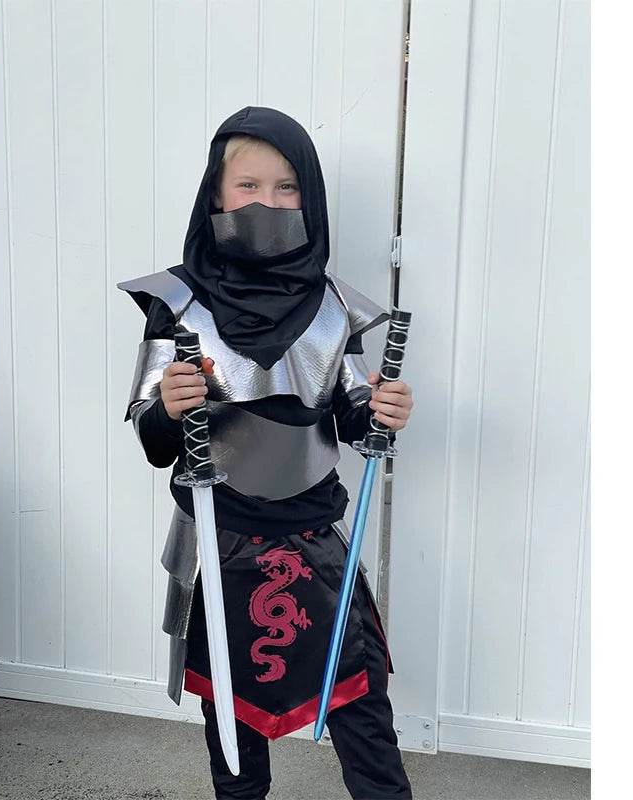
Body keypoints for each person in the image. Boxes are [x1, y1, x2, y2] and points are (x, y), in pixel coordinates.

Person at [118, 106, 414, 800]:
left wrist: (381, 412)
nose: (267, 203)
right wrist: (170, 407)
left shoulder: (335, 306)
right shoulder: (177, 303)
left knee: (360, 704)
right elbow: (153, 441)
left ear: (308, 198)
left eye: (287, 188)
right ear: (216, 194)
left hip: (313, 537)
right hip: (218, 543)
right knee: (232, 727)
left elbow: (352, 414)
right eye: (248, 185)